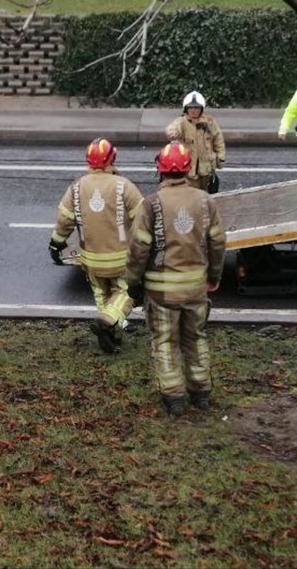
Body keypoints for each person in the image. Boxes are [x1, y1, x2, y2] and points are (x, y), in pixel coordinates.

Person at [126, 141, 227, 415]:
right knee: (196, 339)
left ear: (159, 169)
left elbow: (138, 249)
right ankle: (201, 392)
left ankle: (174, 398)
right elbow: (217, 243)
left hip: (161, 293)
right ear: (187, 167)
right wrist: (214, 276)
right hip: (196, 289)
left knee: (166, 342)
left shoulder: (151, 204)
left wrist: (132, 282)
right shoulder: (206, 201)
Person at [49, 138, 145, 354]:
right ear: (113, 159)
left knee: (102, 295)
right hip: (121, 258)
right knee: (126, 294)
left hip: (90, 259)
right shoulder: (124, 187)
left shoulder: (76, 188)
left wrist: (55, 244)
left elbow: (64, 221)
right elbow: (143, 220)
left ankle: (111, 334)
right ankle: (109, 322)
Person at [165, 90, 225, 193]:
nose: (193, 110)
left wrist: (220, 158)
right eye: (190, 107)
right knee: (191, 196)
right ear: (186, 109)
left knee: (208, 196)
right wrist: (173, 133)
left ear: (201, 108)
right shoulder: (182, 122)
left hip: (207, 169)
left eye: (196, 107)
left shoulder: (209, 122)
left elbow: (218, 140)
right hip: (189, 171)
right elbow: (171, 128)